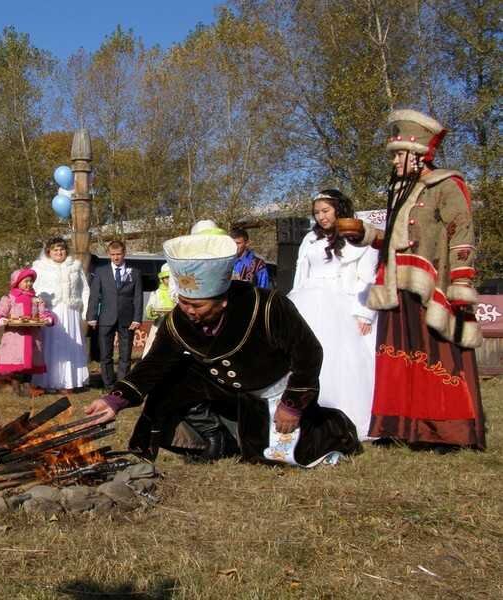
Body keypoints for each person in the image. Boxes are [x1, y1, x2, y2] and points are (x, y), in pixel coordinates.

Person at [84, 231, 361, 467]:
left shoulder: (267, 306)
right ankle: (214, 437)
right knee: (170, 381)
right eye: (183, 302)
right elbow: (154, 364)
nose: (189, 311)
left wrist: (292, 405)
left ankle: (328, 427)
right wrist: (115, 401)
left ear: (222, 301)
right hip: (223, 389)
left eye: (198, 305)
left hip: (274, 390)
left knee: (280, 456)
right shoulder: (178, 320)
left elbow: (308, 353)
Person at [342, 109, 485, 449]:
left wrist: (462, 280)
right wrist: (364, 233)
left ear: (419, 155)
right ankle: (401, 427)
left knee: (436, 355)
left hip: (432, 284)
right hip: (396, 282)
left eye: (399, 155)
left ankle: (444, 432)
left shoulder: (447, 184)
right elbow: (395, 238)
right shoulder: (400, 191)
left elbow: (461, 232)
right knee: (398, 356)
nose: (394, 162)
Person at [288, 191, 378, 440]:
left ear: (339, 209)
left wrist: (365, 314)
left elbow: (368, 278)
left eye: (326, 211)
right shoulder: (310, 238)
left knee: (340, 359)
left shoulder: (357, 236)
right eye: (317, 212)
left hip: (342, 302)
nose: (321, 216)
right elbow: (301, 273)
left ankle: (342, 415)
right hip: (307, 299)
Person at [30, 237, 90, 392]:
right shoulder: (39, 268)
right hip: (50, 312)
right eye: (55, 250)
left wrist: (85, 312)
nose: (59, 252)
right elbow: (32, 290)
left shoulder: (75, 267)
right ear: (49, 251)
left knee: (69, 344)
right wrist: (36, 311)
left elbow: (85, 290)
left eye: (61, 249)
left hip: (71, 312)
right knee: (51, 346)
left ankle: (69, 382)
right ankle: (48, 381)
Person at [86, 240, 143, 389]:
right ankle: (109, 384)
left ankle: (122, 386)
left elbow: (138, 297)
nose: (116, 257)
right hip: (106, 317)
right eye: (113, 254)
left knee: (125, 356)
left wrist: (137, 318)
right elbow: (94, 295)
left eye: (118, 254)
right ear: (108, 254)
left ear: (124, 253)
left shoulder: (135, 272)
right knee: (105, 355)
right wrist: (91, 316)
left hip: (127, 318)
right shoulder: (100, 271)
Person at [0, 268, 54, 392]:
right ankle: (16, 385)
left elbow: (43, 312)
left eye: (31, 281)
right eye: (25, 281)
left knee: (31, 360)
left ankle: (27, 384)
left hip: (32, 336)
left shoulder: (36, 299)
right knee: (16, 360)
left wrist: (48, 319)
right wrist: (1, 319)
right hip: (16, 337)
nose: (29, 284)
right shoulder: (9, 298)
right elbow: (1, 312)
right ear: (17, 282)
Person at [142, 264, 175, 357]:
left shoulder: (180, 293)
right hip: (159, 325)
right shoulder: (156, 293)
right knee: (152, 347)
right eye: (167, 278)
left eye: (171, 278)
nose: (169, 280)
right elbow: (148, 310)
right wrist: (152, 312)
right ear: (162, 278)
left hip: (175, 326)